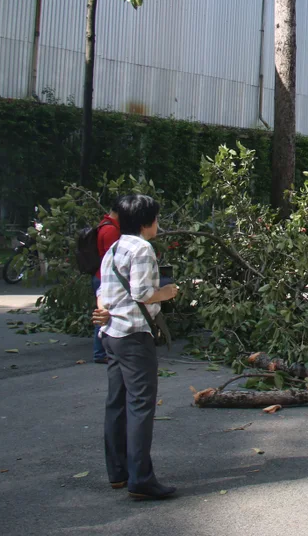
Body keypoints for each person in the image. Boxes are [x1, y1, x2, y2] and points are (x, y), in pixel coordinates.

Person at [93, 194, 178, 500]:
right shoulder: (142, 249)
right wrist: (167, 292)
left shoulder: (115, 246)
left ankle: (118, 473)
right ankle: (141, 479)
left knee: (116, 403)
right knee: (141, 406)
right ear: (145, 222)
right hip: (134, 336)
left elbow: (103, 289)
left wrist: (102, 310)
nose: (158, 223)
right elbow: (143, 293)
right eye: (155, 218)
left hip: (112, 334)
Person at [92, 211, 119, 364]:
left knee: (103, 314)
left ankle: (101, 351)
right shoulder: (111, 230)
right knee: (104, 315)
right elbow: (114, 258)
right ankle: (100, 353)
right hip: (105, 278)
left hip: (100, 276)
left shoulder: (104, 225)